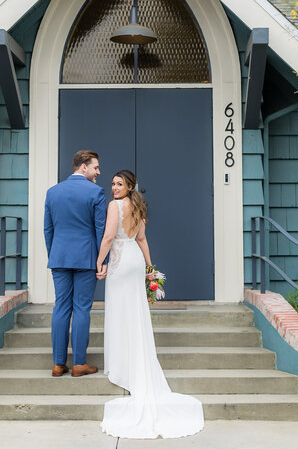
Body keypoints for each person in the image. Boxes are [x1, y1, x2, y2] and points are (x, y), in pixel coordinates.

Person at [96, 170, 204, 439]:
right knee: (135, 312)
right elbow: (142, 239)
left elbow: (109, 237)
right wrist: (149, 267)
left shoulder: (115, 206)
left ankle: (122, 366)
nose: (114, 188)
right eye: (112, 184)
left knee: (121, 313)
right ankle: (134, 359)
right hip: (133, 257)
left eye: (119, 184)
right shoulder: (138, 206)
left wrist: (100, 261)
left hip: (120, 261)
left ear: (130, 186)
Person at [44, 149, 107, 378]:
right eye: (95, 167)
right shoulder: (96, 192)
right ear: (83, 167)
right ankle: (79, 363)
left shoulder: (53, 192)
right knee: (81, 308)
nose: (98, 172)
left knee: (61, 307)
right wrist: (103, 260)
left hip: (59, 257)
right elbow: (100, 229)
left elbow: (48, 229)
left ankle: (58, 364)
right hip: (86, 258)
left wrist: (55, 254)